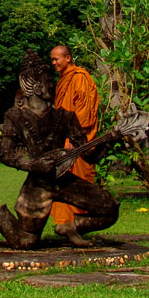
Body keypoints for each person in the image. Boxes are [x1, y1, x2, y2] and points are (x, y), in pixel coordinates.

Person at [0, 51, 120, 248]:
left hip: (63, 180)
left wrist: (109, 141)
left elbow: (88, 156)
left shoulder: (65, 116)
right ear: (37, 87)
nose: (52, 86)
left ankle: (72, 227)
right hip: (38, 184)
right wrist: (33, 164)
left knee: (109, 209)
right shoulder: (16, 117)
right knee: (25, 241)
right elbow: (5, 154)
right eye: (48, 81)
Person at [48, 45, 100, 239]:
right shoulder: (63, 81)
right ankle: (64, 224)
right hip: (65, 140)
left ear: (68, 58)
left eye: (57, 59)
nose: (54, 63)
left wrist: (72, 138)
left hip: (79, 141)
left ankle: (79, 224)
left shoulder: (80, 78)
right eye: (52, 59)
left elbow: (83, 114)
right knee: (62, 182)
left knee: (79, 183)